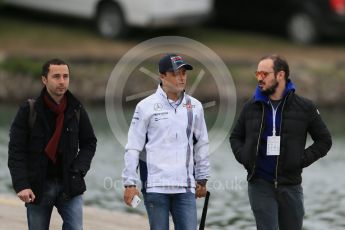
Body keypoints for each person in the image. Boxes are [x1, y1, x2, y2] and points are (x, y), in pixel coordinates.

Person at [230, 54, 332, 230]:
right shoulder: (251, 106)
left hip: (291, 185)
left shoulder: (305, 107)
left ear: (280, 75)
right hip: (260, 184)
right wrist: (245, 157)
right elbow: (235, 137)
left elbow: (324, 140)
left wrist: (300, 160)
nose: (260, 78)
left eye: (265, 73)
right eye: (258, 74)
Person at [122, 54, 210, 230]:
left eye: (184, 73)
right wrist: (130, 183)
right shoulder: (144, 107)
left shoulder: (195, 106)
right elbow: (133, 147)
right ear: (162, 76)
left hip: (185, 187)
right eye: (176, 73)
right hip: (155, 187)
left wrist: (202, 178)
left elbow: (202, 144)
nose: (182, 77)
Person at [8, 58, 97, 230]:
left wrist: (78, 170)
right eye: (56, 76)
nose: (62, 81)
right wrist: (22, 185)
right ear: (44, 79)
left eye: (66, 76)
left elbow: (89, 143)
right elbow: (16, 151)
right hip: (38, 186)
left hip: (69, 184)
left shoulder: (76, 109)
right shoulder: (29, 110)